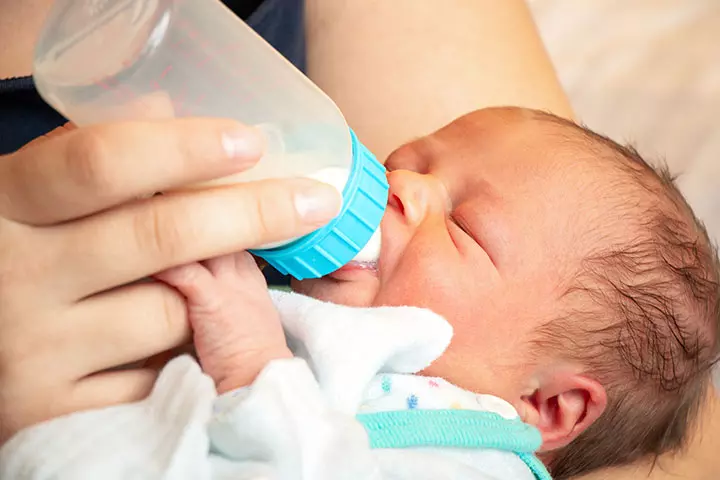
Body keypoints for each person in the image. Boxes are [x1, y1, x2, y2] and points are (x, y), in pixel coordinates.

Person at [1, 1, 717, 478]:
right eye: (409, 158)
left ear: (551, 407)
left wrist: (256, 369)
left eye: (464, 227)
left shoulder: (465, 454)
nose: (401, 184)